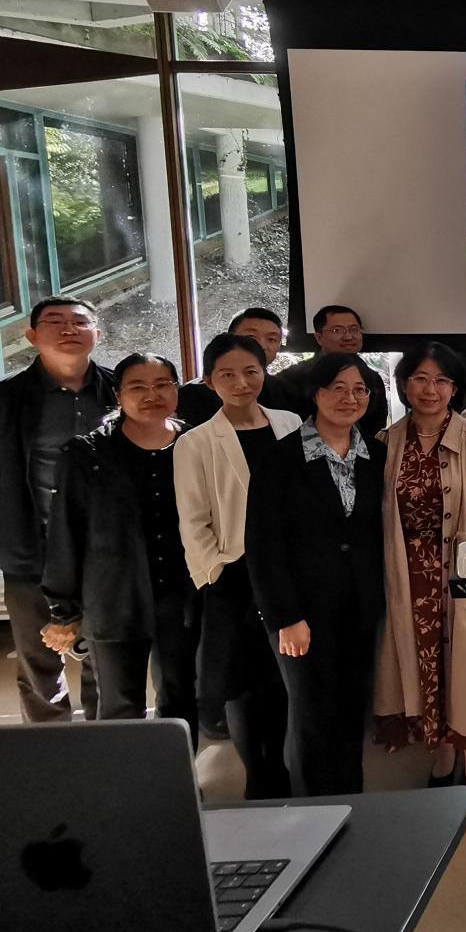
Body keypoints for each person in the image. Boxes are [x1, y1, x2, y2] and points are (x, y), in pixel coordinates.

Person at [374, 343, 466, 818]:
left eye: (441, 380)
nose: (430, 389)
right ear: (404, 385)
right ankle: (442, 757)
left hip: (465, 576)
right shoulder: (384, 442)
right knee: (427, 672)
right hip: (408, 579)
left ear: (455, 388)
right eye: (420, 378)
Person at [247, 353, 388, 797]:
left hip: (361, 607)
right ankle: (313, 811)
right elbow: (263, 546)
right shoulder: (279, 458)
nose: (350, 398)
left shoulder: (377, 455)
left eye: (360, 390)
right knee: (312, 714)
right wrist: (285, 617)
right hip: (302, 612)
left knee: (351, 710)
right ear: (316, 393)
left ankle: (351, 802)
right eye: (338, 388)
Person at [0, 297, 107, 723]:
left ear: (97, 334)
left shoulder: (120, 388)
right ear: (31, 336)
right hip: (30, 544)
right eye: (54, 321)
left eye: (80, 322)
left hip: (104, 548)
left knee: (107, 651)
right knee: (37, 657)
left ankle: (108, 736)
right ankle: (48, 742)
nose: (68, 329)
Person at [41, 354, 199, 739]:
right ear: (118, 395)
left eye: (162, 385)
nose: (151, 395)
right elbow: (66, 533)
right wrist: (63, 609)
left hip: (184, 596)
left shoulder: (199, 444)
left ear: (176, 389)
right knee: (120, 704)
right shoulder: (87, 454)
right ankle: (123, 776)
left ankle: (177, 772)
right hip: (114, 595)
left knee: (181, 696)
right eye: (138, 387)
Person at [175, 332, 298, 800]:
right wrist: (214, 572)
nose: (241, 382)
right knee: (243, 684)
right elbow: (193, 519)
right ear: (209, 381)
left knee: (282, 677)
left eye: (250, 371)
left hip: (287, 572)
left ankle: (281, 771)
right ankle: (258, 777)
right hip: (234, 575)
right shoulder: (196, 442)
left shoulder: (290, 424)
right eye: (227, 374)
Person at [270, 304, 391, 439]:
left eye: (354, 329)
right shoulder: (292, 377)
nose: (348, 337)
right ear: (318, 337)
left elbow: (377, 424)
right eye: (337, 330)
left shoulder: (373, 378)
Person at [175, 307, 292, 425]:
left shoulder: (286, 393)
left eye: (271, 339)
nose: (261, 345)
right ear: (230, 338)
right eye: (251, 337)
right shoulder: (191, 395)